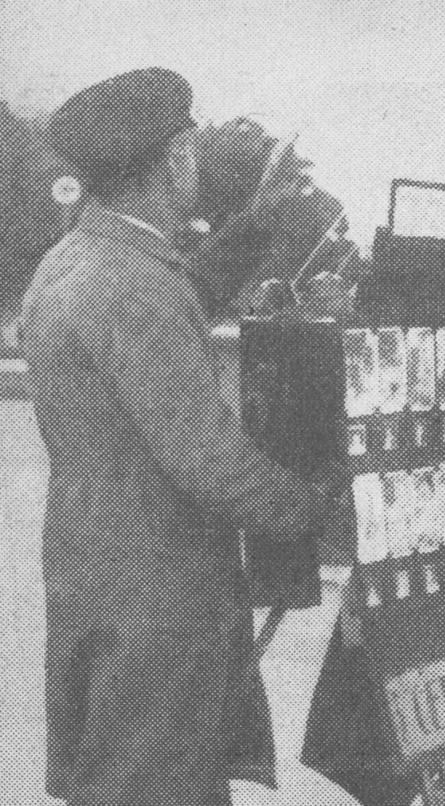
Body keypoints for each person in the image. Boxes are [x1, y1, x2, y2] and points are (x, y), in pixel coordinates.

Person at [20, 68, 338, 805]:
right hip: (160, 595)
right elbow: (211, 463)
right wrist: (312, 508)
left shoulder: (76, 260)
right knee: (158, 784)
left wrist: (255, 224)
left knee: (120, 774)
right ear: (173, 161)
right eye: (192, 145)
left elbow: (173, 296)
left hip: (95, 566)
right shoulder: (132, 286)